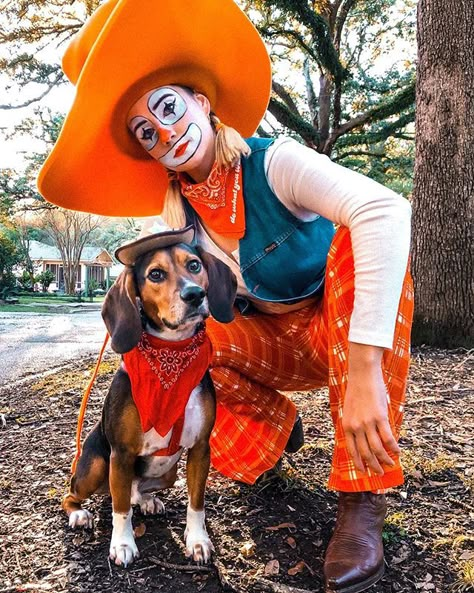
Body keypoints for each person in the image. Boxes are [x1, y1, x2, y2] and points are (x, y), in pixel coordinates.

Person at [37, 0, 414, 591]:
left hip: (335, 330)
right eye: (147, 133)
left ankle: (362, 498)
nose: (165, 132)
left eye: (168, 108)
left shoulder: (276, 162)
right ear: (150, 153)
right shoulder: (176, 218)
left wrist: (366, 366)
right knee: (192, 329)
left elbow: (387, 210)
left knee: (353, 248)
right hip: (272, 348)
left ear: (202, 103)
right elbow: (145, 298)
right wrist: (127, 319)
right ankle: (277, 427)